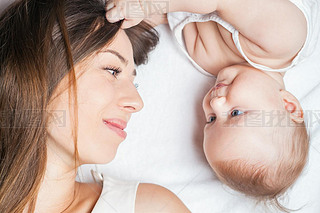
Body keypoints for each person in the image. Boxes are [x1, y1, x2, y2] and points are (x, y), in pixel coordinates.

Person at [106, 0, 319, 210]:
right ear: (289, 105)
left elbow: (173, 15)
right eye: (235, 113)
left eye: (212, 119)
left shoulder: (208, 62)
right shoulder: (282, 41)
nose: (215, 104)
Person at [0, 0, 190, 212]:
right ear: (39, 70)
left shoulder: (151, 208)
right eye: (112, 70)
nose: (137, 102)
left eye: (134, 83)